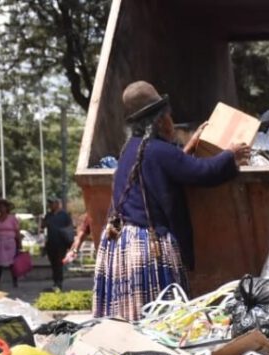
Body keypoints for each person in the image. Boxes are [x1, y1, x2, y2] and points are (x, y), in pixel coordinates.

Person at [93, 81, 250, 320]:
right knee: (158, 319)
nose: (171, 120)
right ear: (160, 120)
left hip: (120, 241)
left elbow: (167, 166)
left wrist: (189, 146)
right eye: (168, 114)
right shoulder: (158, 151)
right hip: (147, 246)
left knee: (131, 320)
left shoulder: (131, 149)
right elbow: (201, 172)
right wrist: (231, 154)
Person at [41, 197, 74, 290]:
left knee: (59, 263)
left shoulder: (64, 215)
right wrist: (44, 222)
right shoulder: (49, 215)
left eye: (52, 203)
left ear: (57, 204)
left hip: (61, 243)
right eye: (49, 203)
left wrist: (70, 242)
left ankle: (59, 283)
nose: (50, 205)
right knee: (53, 264)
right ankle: (55, 282)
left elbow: (70, 227)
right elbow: (43, 226)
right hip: (51, 243)